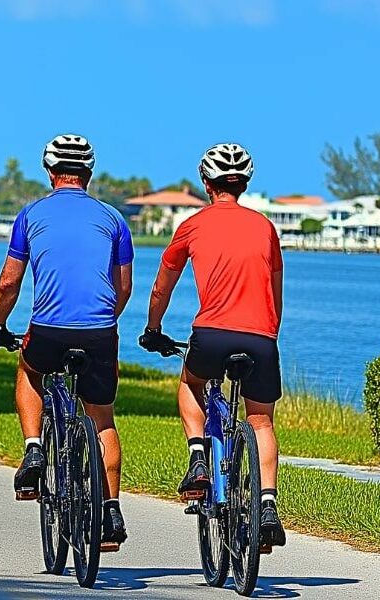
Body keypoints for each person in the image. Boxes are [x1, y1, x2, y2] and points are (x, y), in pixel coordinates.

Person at [0, 133, 134, 548]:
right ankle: (111, 513)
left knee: (30, 372)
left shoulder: (30, 215)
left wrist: (0, 325)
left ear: (50, 171)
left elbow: (9, 282)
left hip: (48, 330)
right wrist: (103, 322)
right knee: (102, 418)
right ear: (88, 173)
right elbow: (123, 288)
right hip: (100, 331)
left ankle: (34, 449)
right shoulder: (114, 219)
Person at [139, 143, 287, 550]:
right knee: (260, 422)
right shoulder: (265, 227)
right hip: (261, 338)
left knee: (191, 384)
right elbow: (276, 292)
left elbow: (161, 286)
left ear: (207, 183)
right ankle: (269, 504)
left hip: (211, 334)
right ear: (244, 184)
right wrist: (268, 334)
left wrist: (153, 329)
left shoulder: (192, 225)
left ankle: (199, 457)